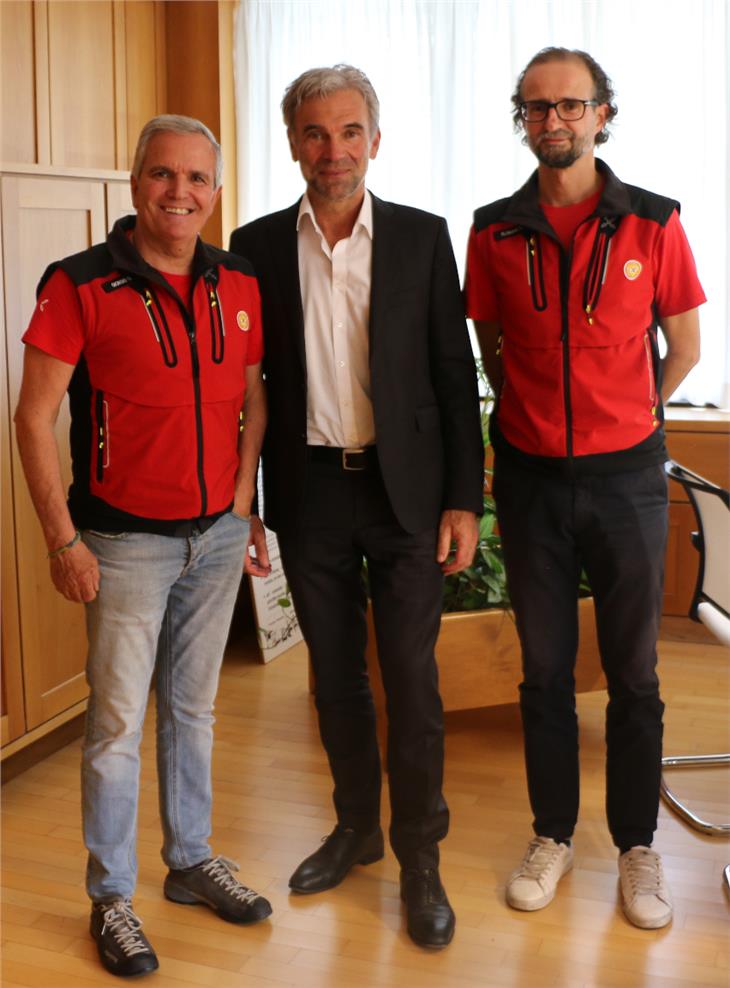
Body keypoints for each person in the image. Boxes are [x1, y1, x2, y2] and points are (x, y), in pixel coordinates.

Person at [14, 115, 274, 979]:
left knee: (194, 712)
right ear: (136, 183)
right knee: (119, 723)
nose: (180, 193)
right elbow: (32, 416)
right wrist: (62, 540)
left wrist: (244, 500)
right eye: (164, 175)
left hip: (216, 534)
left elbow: (252, 393)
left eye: (198, 178)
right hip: (123, 543)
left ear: (215, 189)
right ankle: (112, 896)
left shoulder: (238, 280)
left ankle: (191, 860)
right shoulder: (80, 282)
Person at [230, 65, 484, 949]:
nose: (331, 151)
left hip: (405, 491)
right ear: (292, 140)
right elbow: (246, 387)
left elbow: (456, 377)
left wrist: (463, 498)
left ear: (375, 140)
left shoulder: (421, 237)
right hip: (308, 492)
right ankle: (356, 828)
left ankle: (421, 853)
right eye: (313, 133)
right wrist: (249, 504)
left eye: (348, 132)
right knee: (335, 678)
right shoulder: (254, 245)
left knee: (411, 681)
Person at [464, 48, 705, 930]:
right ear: (521, 120)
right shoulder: (492, 230)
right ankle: (553, 834)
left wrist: (630, 412)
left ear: (604, 112)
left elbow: (684, 346)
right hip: (529, 482)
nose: (553, 121)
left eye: (570, 105)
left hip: (629, 481)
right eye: (536, 108)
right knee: (543, 672)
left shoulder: (653, 221)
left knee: (636, 673)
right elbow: (489, 345)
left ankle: (637, 848)